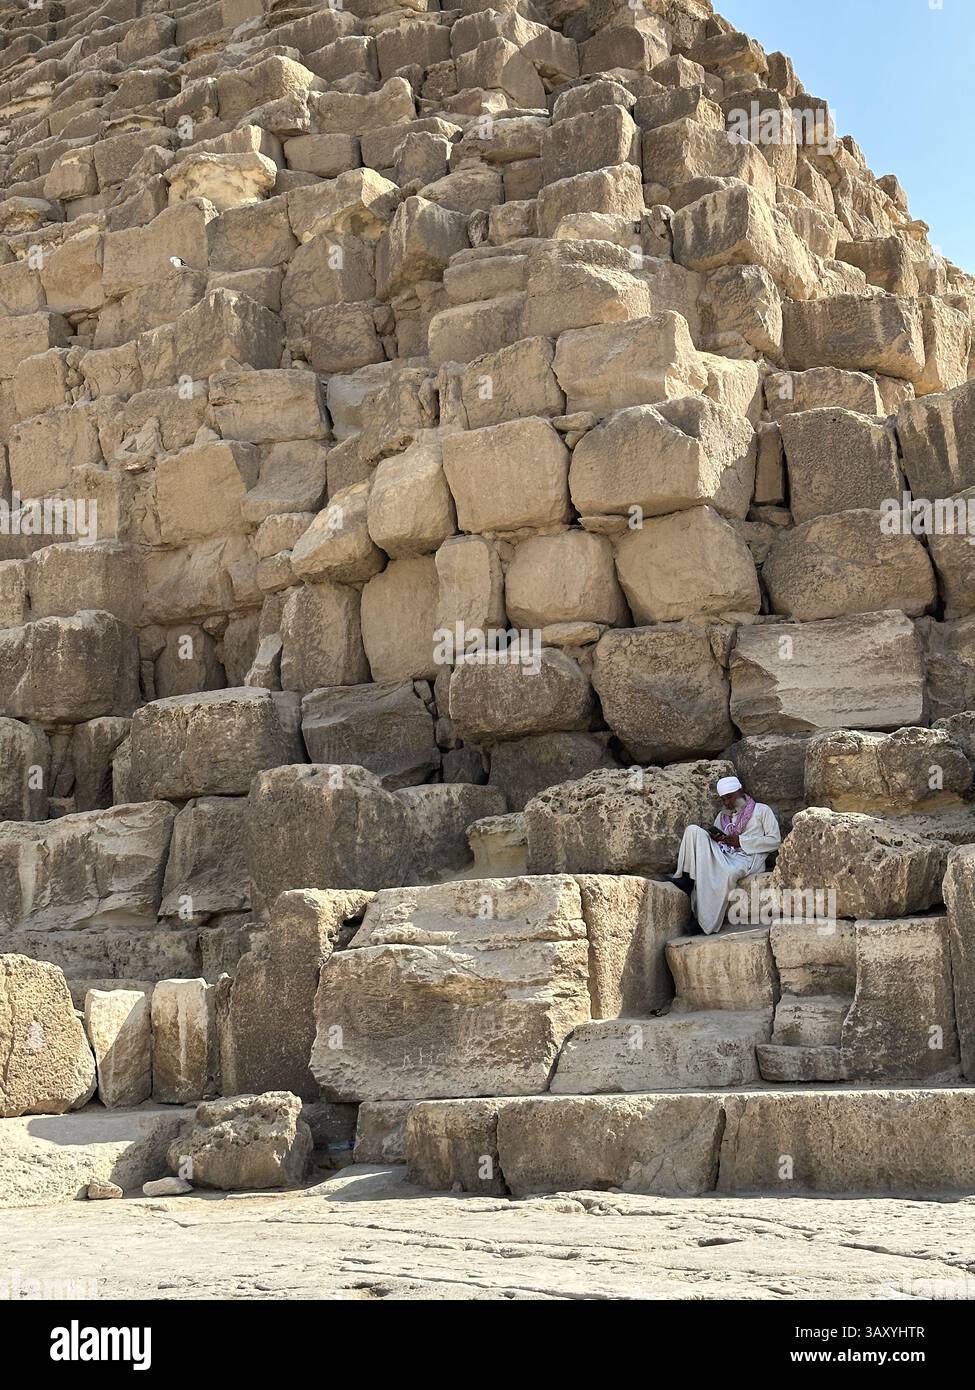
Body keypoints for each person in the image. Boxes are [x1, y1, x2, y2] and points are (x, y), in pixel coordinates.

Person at [667, 775, 781, 936]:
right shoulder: (723, 816)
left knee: (726, 873)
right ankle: (686, 878)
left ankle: (703, 922)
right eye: (723, 799)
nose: (726, 802)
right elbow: (718, 837)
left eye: (729, 797)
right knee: (693, 830)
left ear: (740, 791)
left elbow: (775, 841)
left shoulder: (762, 810)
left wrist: (740, 841)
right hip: (725, 853)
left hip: (748, 858)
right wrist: (718, 838)